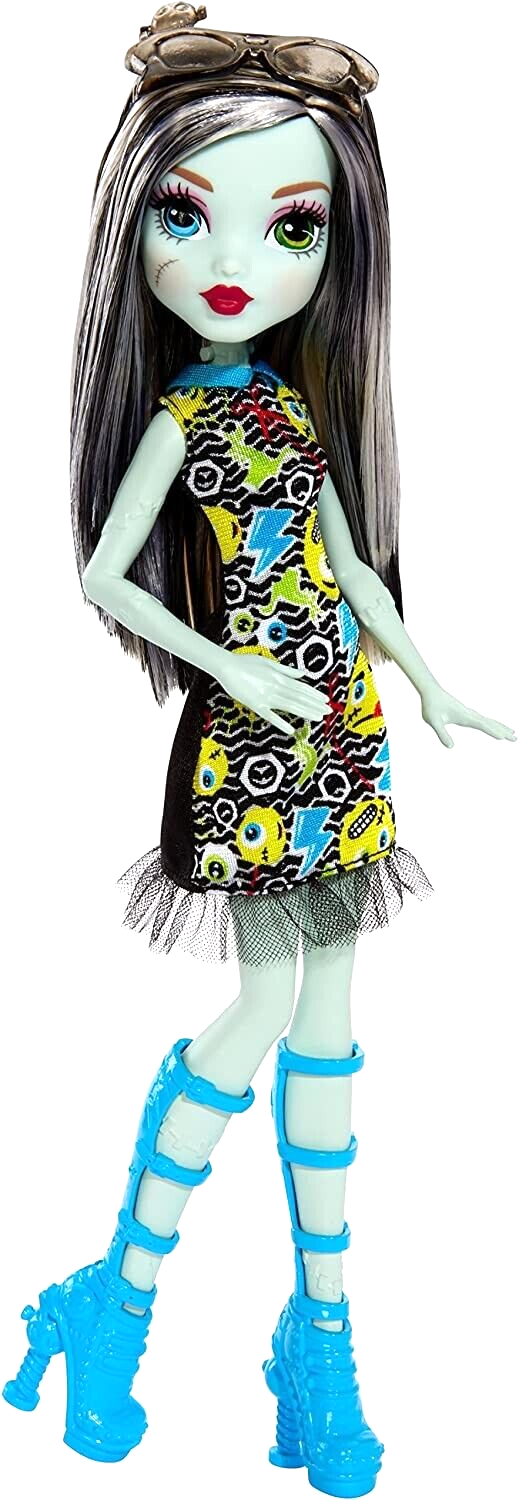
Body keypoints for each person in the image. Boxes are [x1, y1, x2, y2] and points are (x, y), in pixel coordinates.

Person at [3, 8, 515, 1495]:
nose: (236, 259)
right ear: (136, 228)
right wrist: (223, 661)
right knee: (265, 1003)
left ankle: (320, 1342)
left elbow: (353, 568)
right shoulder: (180, 419)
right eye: (187, 212)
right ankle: (115, 1294)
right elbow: (103, 575)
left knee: (334, 1026)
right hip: (250, 743)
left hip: (344, 731)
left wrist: (430, 678)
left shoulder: (291, 406)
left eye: (293, 225)